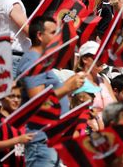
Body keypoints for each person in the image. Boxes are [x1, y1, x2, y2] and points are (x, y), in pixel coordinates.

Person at [17, 16, 85, 167]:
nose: (57, 36)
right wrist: (67, 86)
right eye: (53, 32)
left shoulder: (40, 61)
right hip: (39, 139)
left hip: (49, 137)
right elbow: (37, 101)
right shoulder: (32, 61)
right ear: (40, 36)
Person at [0, 85, 36, 167]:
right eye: (11, 96)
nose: (16, 100)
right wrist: (18, 140)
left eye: (19, 97)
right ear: (2, 98)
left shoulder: (21, 122)